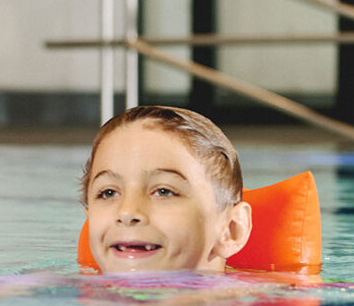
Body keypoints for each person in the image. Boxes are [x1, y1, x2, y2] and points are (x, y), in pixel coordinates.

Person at [81, 105, 253, 274]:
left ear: (231, 229)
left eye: (164, 191)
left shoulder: (262, 299)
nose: (127, 212)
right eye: (108, 193)